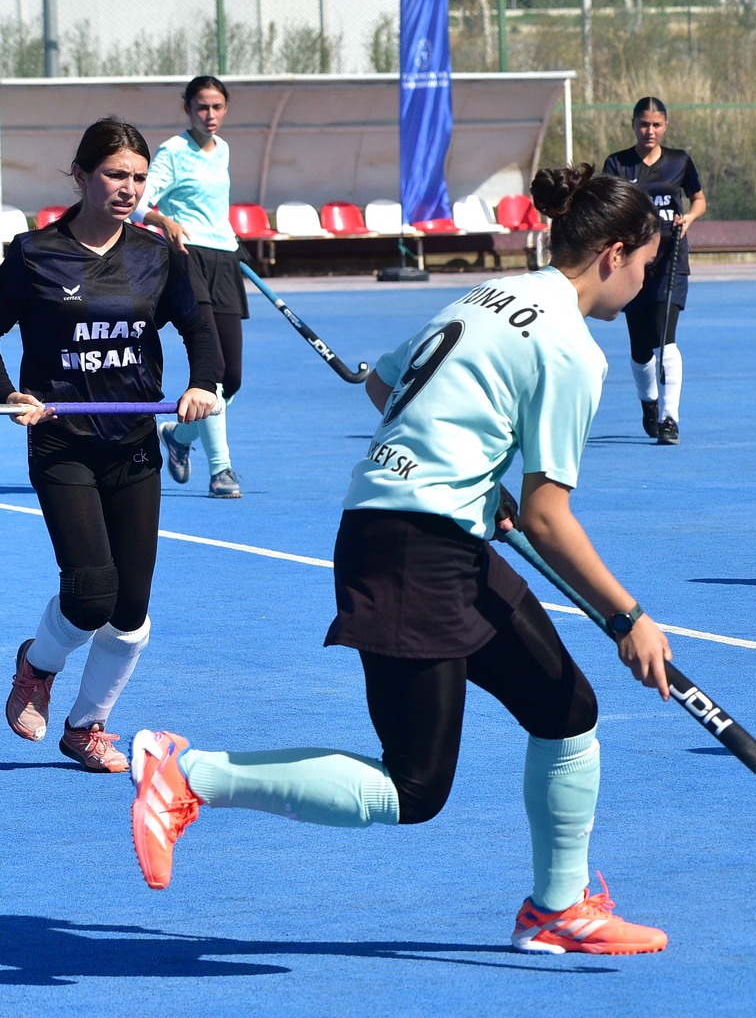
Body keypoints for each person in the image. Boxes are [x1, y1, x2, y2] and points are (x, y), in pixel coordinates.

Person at [127, 164, 675, 955]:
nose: (645, 283)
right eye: (648, 266)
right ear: (615, 253)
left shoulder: (481, 296)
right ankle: (188, 775)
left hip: (427, 533)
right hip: (414, 549)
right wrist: (629, 618)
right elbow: (551, 518)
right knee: (413, 788)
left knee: (565, 711)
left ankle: (559, 910)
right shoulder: (571, 348)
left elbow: (383, 387)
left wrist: (469, 469)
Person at [3, 118, 224, 773]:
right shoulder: (33, 255)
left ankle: (86, 726)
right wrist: (14, 395)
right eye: (113, 174)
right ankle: (35, 667)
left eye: (136, 177)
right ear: (81, 175)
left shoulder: (157, 255)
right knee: (91, 592)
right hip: (62, 443)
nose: (127, 188)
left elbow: (198, 326)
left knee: (130, 610)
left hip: (132, 445)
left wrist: (203, 384)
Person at [141, 76, 250, 497]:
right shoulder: (173, 151)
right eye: (203, 107)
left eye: (218, 107)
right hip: (188, 258)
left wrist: (233, 246)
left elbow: (214, 209)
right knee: (214, 370)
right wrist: (165, 221)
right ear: (188, 109)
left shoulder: (222, 150)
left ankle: (179, 437)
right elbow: (140, 202)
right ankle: (222, 470)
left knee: (233, 378)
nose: (211, 115)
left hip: (224, 257)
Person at [601, 97, 705, 445]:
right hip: (632, 264)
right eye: (644, 124)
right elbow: (608, 208)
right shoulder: (617, 164)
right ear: (633, 125)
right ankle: (649, 403)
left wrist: (688, 218)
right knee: (641, 346)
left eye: (657, 125)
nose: (650, 131)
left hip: (671, 262)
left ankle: (670, 419)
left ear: (665, 126)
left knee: (666, 338)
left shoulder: (679, 161)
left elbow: (698, 199)